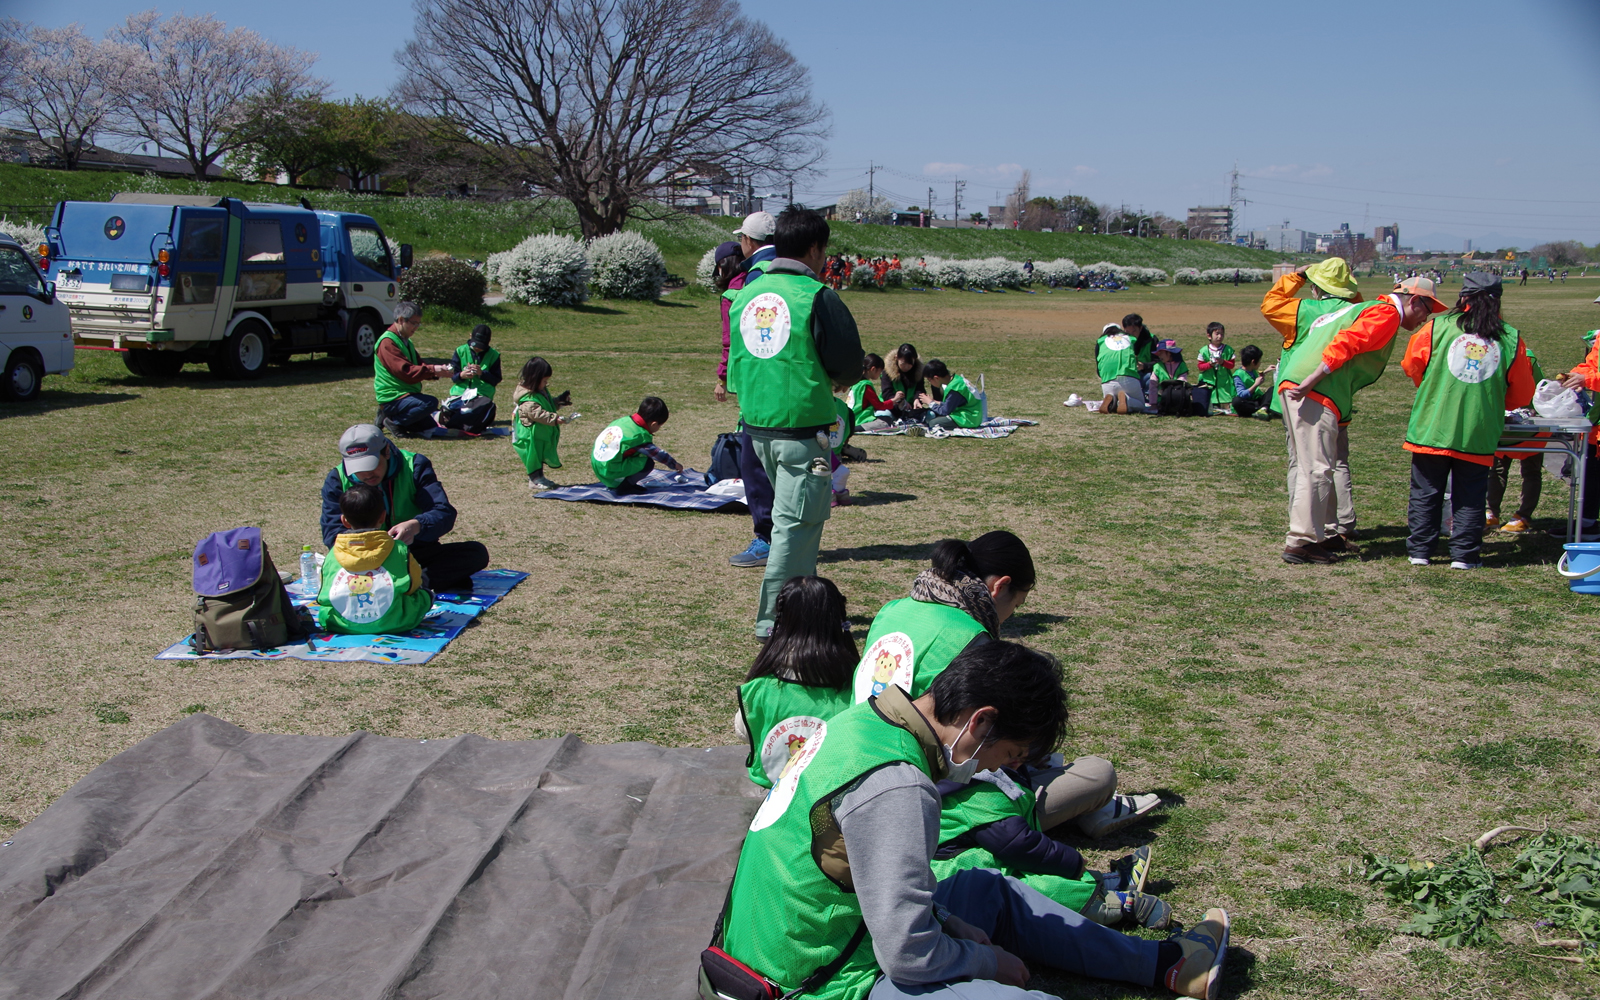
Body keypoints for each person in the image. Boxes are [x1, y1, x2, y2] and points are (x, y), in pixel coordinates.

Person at [718, 640, 1230, 1000]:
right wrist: (987, 961)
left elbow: (878, 890)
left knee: (984, 891)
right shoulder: (898, 783)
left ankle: (1168, 966)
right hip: (815, 982)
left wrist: (957, 926)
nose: (995, 769)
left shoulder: (863, 722)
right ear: (980, 721)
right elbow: (906, 954)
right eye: (1007, 754)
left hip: (790, 943)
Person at [853, 533, 1157, 839]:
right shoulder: (971, 638)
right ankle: (1090, 808)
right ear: (1001, 586)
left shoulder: (892, 609)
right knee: (1096, 774)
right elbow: (975, 747)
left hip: (860, 767)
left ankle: (1086, 809)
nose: (1010, 615)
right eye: (1017, 604)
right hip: (926, 801)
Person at [727, 206, 865, 637]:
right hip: (801, 431)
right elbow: (847, 364)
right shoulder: (815, 295)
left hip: (757, 426)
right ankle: (777, 618)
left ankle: (806, 606)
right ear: (814, 248)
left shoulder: (746, 293)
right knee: (796, 526)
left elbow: (735, 361)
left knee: (797, 527)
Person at [1279, 275, 1449, 564]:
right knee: (1316, 468)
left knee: (1317, 464)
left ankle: (1326, 533)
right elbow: (1347, 343)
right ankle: (1302, 541)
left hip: (1303, 383)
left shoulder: (1370, 307)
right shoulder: (1387, 313)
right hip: (1314, 388)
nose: (1425, 318)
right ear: (1415, 300)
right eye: (1427, 310)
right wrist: (1312, 381)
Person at [1402, 272, 1535, 568]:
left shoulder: (1437, 327)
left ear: (1463, 298)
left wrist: (1434, 388)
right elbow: (1521, 394)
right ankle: (1463, 555)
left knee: (1426, 491)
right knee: (1471, 495)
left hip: (1432, 426)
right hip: (1479, 430)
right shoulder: (1510, 337)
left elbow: (1412, 366)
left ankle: (1420, 551)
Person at [1260, 259, 1365, 554]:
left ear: (1317, 287)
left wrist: (1299, 276)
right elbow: (1357, 302)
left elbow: (1270, 304)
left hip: (1299, 395)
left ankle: (1306, 532)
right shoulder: (1356, 310)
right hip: (1337, 396)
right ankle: (1329, 529)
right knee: (1333, 463)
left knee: (1304, 465)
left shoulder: (1305, 310)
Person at [321, 424, 490, 592]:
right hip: (364, 559)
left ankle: (396, 585)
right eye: (358, 469)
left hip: (413, 553)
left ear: (386, 451)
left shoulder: (414, 465)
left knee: (476, 553)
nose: (366, 474)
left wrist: (417, 525)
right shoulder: (337, 479)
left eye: (371, 465)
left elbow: (443, 512)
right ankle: (411, 585)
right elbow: (332, 534)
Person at [733, 575, 857, 787]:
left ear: (780, 621)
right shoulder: (857, 686)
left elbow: (744, 731)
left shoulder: (761, 688)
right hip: (830, 790)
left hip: (770, 787)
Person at [721, 222, 781, 571]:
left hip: (761, 386)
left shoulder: (754, 279)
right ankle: (784, 539)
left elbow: (745, 337)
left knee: (755, 465)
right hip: (793, 387)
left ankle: (766, 538)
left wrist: (728, 376)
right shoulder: (796, 274)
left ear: (747, 240)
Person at [314, 482, 432, 635]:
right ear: (383, 516)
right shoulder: (399, 548)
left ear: (344, 521)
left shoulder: (333, 553)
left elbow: (324, 596)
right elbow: (413, 586)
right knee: (424, 592)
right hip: (397, 621)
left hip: (341, 624)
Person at [373, 302, 453, 436]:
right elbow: (406, 372)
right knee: (430, 403)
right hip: (393, 396)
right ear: (400, 320)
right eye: (414, 323)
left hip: (406, 394)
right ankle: (394, 422)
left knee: (429, 426)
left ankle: (387, 416)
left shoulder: (405, 340)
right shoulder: (387, 342)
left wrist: (440, 372)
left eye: (418, 323)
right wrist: (433, 370)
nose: (416, 327)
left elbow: (418, 365)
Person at [590, 395, 682, 493]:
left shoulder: (624, 421)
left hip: (597, 463)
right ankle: (624, 486)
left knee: (636, 453)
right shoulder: (638, 436)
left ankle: (622, 482)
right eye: (660, 426)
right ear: (654, 424)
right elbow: (656, 453)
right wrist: (674, 464)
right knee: (647, 463)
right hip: (608, 470)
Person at [512, 356, 576, 491]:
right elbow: (538, 413)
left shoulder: (539, 391)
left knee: (539, 455)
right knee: (533, 457)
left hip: (540, 433)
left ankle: (540, 477)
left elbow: (545, 406)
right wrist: (555, 419)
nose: (546, 384)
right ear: (535, 379)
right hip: (531, 435)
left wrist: (558, 401)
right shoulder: (528, 398)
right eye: (544, 380)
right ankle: (534, 480)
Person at [441, 324, 501, 434]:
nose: (477, 348)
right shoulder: (460, 351)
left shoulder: (494, 355)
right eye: (475, 345)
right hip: (460, 394)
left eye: (481, 346)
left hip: (481, 395)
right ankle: (452, 417)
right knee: (459, 409)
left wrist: (482, 373)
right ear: (470, 336)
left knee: (482, 407)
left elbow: (496, 379)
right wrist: (461, 375)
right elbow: (453, 376)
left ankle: (457, 421)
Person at [918, 359, 984, 431]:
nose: (930, 383)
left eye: (929, 380)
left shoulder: (954, 389)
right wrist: (934, 401)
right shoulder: (956, 381)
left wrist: (930, 403)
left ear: (936, 378)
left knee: (932, 423)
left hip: (968, 419)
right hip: (971, 416)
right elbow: (950, 404)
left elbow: (945, 411)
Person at [1094, 323, 1144, 414]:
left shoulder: (1100, 341)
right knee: (1141, 405)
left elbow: (1098, 369)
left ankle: (1112, 401)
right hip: (1129, 378)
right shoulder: (1130, 338)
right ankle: (1127, 401)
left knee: (1112, 401)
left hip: (1108, 381)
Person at [880, 343, 927, 424]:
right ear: (896, 358)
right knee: (883, 417)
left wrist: (917, 399)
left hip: (911, 410)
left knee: (930, 415)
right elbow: (886, 393)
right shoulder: (887, 372)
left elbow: (920, 389)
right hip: (891, 408)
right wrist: (900, 402)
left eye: (909, 364)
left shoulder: (918, 372)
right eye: (903, 364)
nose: (906, 367)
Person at [1194, 323, 1236, 410]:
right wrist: (1210, 364)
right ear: (1209, 336)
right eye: (1217, 334)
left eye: (1222, 334)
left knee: (1226, 400)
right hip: (1209, 381)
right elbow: (1200, 367)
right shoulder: (1204, 351)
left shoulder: (1228, 350)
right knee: (1209, 400)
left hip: (1224, 382)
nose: (1219, 336)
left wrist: (1223, 362)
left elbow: (1231, 365)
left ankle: (1224, 406)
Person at [848, 353, 892, 432]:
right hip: (859, 419)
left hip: (850, 417)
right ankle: (854, 429)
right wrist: (894, 401)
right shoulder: (866, 385)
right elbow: (878, 406)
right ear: (873, 369)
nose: (880, 375)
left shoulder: (856, 382)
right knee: (886, 421)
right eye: (879, 372)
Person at [1231, 345, 1270, 417]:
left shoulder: (1252, 371)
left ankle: (1263, 409)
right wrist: (1255, 385)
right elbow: (1241, 394)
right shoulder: (1238, 375)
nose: (1260, 363)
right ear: (1253, 362)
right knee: (1237, 401)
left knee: (1272, 389)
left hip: (1257, 400)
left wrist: (1265, 372)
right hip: (1247, 402)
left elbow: (1255, 378)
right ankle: (1261, 409)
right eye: (1259, 361)